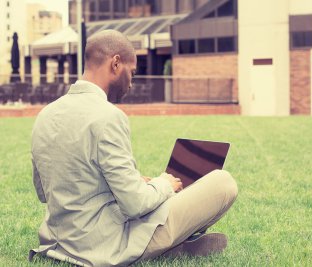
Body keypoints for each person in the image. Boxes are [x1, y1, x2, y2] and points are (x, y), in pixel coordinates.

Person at [29, 30, 238, 266]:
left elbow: (44, 192)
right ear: (116, 63)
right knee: (223, 182)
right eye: (132, 72)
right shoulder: (108, 116)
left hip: (58, 241)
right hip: (105, 246)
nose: (131, 82)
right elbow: (135, 205)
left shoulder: (45, 115)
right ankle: (168, 246)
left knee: (151, 192)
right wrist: (163, 184)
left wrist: (136, 183)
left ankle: (173, 244)